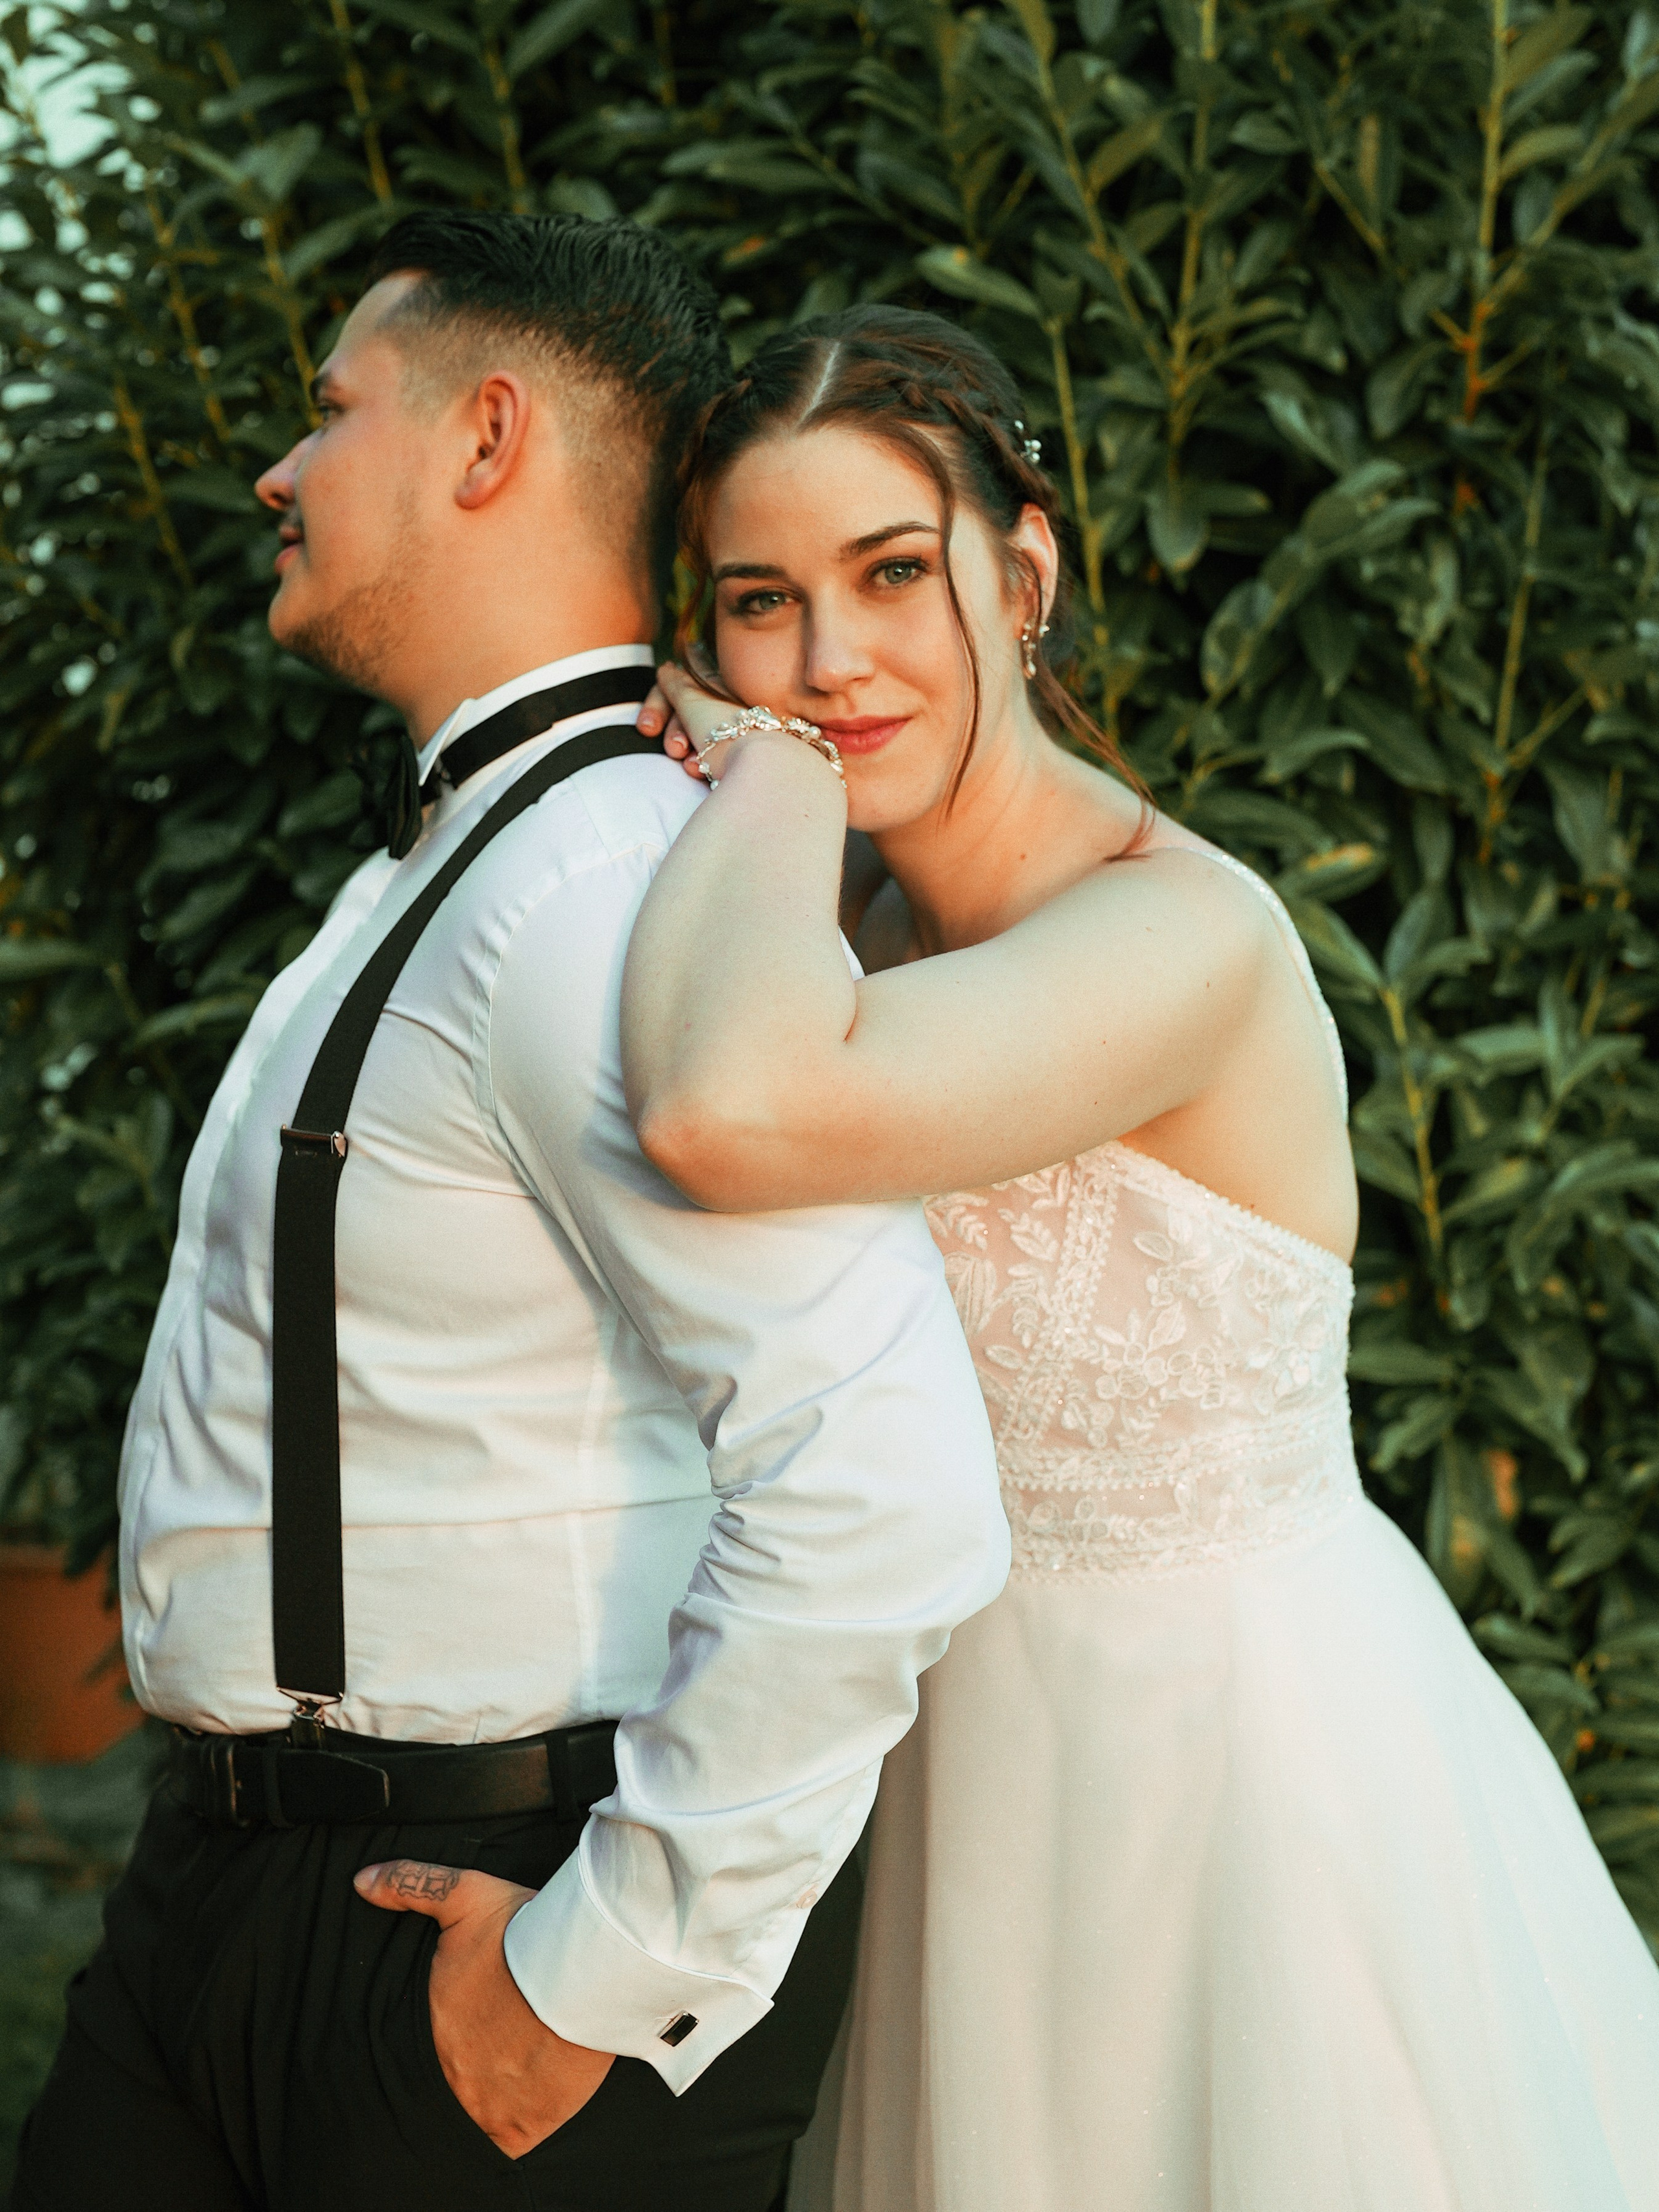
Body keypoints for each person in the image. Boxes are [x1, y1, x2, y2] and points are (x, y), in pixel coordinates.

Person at [621, 304, 1659, 2212]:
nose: (830, 661)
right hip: (956, 1789)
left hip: (1240, 1787)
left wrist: (757, 770)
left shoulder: (1182, 939)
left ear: (1023, 575)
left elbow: (722, 1110)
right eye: (760, 603)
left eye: (890, 574)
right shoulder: (846, 925)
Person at [13, 226, 1008, 2212]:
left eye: (329, 413)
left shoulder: (604, 894)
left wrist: (598, 1980)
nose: (281, 474)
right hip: (226, 1903)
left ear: (487, 435)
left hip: (489, 1938)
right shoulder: (467, 861)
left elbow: (885, 1487)